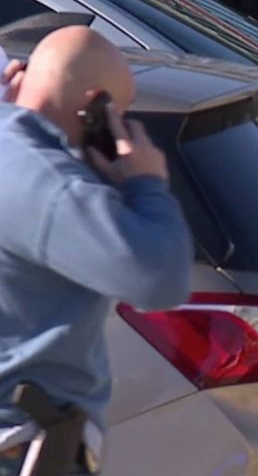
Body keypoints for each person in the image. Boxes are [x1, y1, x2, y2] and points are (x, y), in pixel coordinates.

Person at [0, 27, 194, 475]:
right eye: (117, 114)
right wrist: (146, 183)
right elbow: (160, 278)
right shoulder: (51, 184)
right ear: (95, 108)